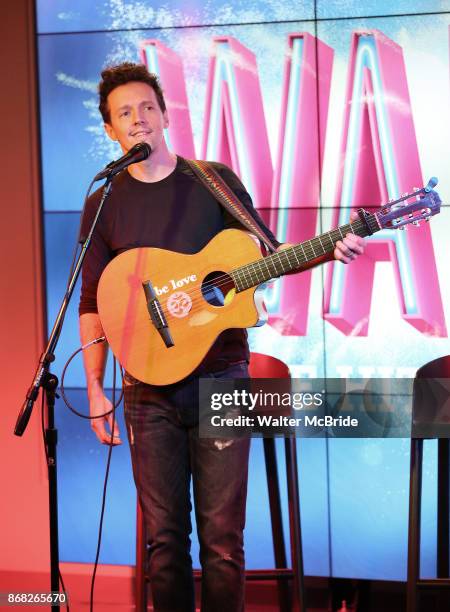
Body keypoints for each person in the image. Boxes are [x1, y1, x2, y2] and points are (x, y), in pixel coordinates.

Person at [79, 62, 365, 612]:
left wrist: (332, 246)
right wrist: (95, 387)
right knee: (164, 543)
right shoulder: (104, 202)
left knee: (223, 544)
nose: (138, 119)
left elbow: (269, 256)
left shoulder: (213, 180)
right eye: (124, 114)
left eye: (146, 107)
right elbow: (93, 303)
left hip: (222, 376)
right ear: (111, 130)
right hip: (146, 388)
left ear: (164, 115)